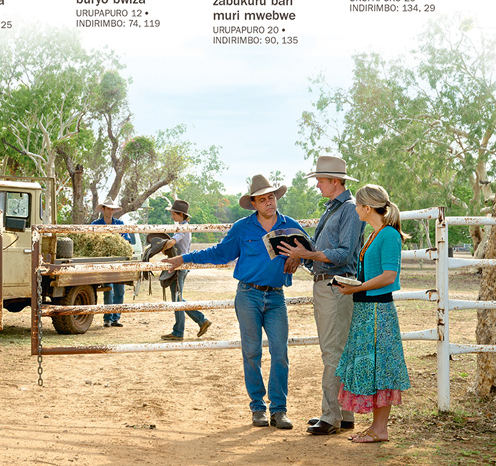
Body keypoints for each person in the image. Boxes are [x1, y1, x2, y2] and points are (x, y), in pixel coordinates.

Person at [166, 174, 308, 430]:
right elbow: (219, 252)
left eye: (271, 197)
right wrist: (184, 259)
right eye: (262, 199)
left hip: (276, 296)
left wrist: (300, 256)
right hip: (248, 295)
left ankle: (279, 410)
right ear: (253, 203)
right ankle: (257, 408)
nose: (268, 203)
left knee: (280, 353)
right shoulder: (242, 228)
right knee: (251, 352)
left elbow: (311, 251)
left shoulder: (290, 225)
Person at [278, 155, 364, 435]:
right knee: (337, 349)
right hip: (329, 284)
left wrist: (309, 253)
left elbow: (344, 253)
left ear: (335, 181)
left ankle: (331, 416)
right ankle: (342, 413)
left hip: (336, 285)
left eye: (321, 180)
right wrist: (300, 255)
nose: (317, 185)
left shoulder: (348, 210)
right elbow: (329, 252)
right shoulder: (334, 209)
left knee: (332, 351)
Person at [334, 184, 411, 443]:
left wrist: (359, 287)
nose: (355, 209)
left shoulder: (388, 235)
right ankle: (377, 427)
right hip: (367, 309)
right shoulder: (375, 233)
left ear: (367, 208)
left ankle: (380, 429)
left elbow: (389, 275)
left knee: (380, 368)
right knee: (376, 367)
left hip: (378, 311)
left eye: (357, 205)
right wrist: (354, 286)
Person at [160, 199, 212, 341]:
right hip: (182, 265)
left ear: (180, 215)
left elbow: (172, 242)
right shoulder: (184, 226)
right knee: (178, 298)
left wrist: (161, 247)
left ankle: (185, 328)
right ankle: (198, 322)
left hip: (180, 266)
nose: (172, 216)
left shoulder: (183, 228)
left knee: (177, 299)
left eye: (173, 214)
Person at [91, 202, 132, 328]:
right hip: (104, 260)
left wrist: (121, 243)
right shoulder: (95, 225)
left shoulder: (119, 224)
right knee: (108, 289)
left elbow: (127, 240)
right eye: (108, 208)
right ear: (103, 209)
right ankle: (107, 318)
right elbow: (91, 241)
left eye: (112, 209)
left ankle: (116, 318)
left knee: (120, 290)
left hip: (119, 260)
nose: (110, 211)